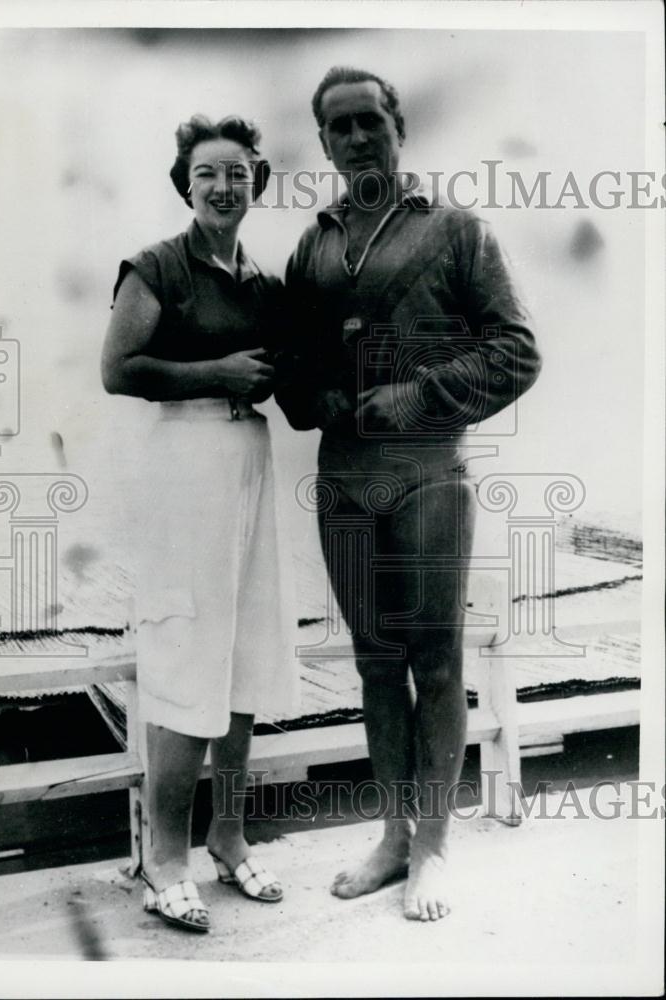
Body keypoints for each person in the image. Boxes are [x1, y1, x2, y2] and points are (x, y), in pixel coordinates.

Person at [276, 67, 542, 922]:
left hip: (429, 475)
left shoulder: (458, 231)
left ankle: (433, 849)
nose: (357, 138)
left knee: (436, 663)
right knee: (375, 665)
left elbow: (517, 353)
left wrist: (417, 395)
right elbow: (295, 370)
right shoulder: (311, 247)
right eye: (339, 127)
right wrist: (309, 397)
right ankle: (392, 838)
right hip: (345, 483)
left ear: (399, 128)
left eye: (370, 122)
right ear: (322, 142)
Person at [101, 114, 297, 933]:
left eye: (239, 174)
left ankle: (230, 836)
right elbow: (118, 370)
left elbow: (299, 371)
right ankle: (164, 860)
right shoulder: (157, 266)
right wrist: (214, 371)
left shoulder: (261, 279)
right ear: (187, 184)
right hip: (184, 464)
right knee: (185, 651)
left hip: (249, 458)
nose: (224, 187)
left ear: (258, 182)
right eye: (208, 173)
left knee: (247, 649)